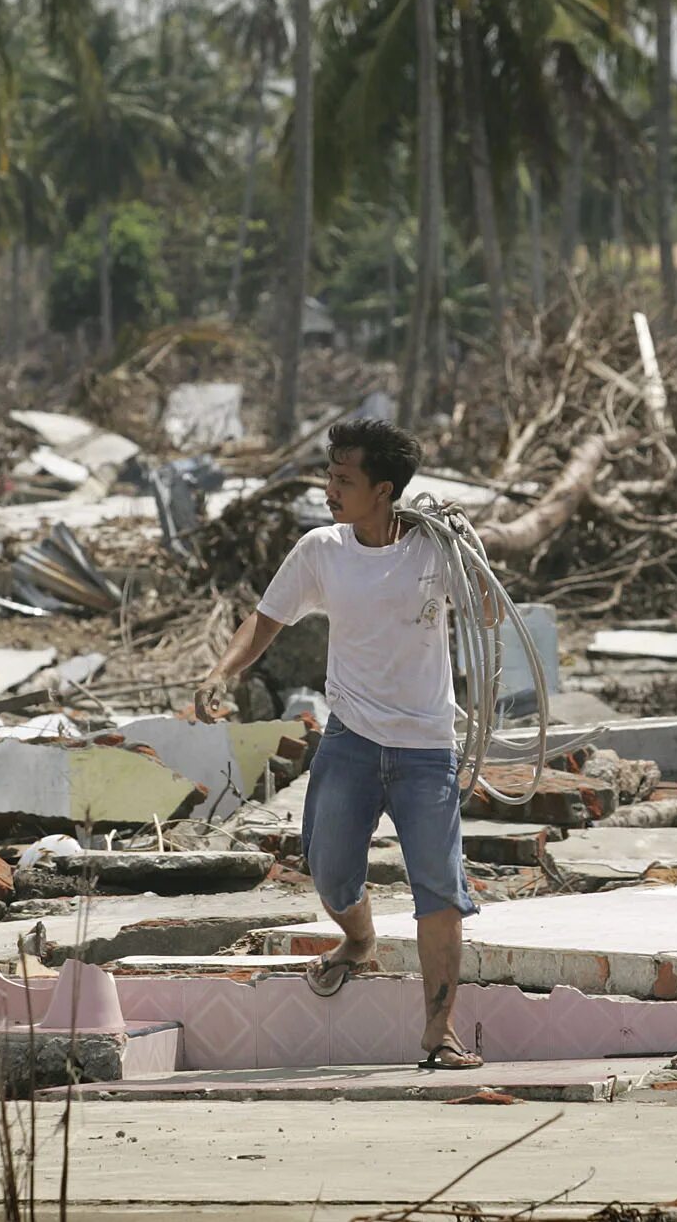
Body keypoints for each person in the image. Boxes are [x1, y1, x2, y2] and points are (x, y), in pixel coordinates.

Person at [196, 417, 497, 1070]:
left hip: (426, 750)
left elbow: (491, 614)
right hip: (351, 741)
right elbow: (266, 618)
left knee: (441, 890)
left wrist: (468, 551)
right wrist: (223, 670)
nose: (330, 490)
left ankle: (439, 1033)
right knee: (330, 874)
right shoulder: (321, 551)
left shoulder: (433, 549)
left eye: (344, 480)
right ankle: (357, 940)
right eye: (330, 477)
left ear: (382, 490)